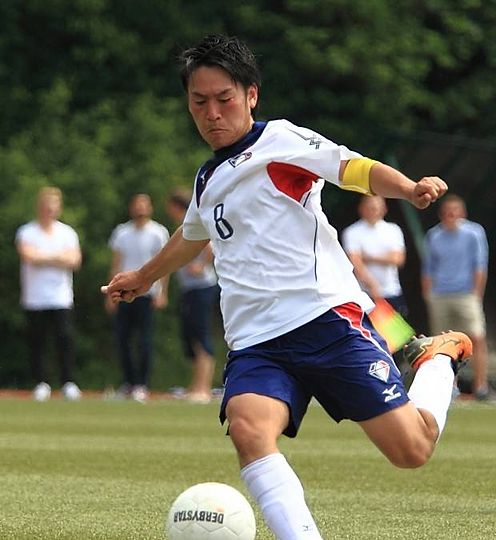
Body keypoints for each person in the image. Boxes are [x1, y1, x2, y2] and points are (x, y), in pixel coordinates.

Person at [102, 34, 470, 540]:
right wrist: (143, 277)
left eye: (224, 99)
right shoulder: (207, 179)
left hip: (326, 322)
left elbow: (351, 168)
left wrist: (408, 187)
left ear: (251, 95)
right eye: (199, 102)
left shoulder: (281, 141)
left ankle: (437, 358)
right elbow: (191, 234)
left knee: (412, 450)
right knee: (248, 428)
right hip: (256, 341)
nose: (212, 113)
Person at [422, 194, 496, 401]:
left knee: (477, 337)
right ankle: (449, 387)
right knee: (443, 344)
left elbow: (480, 264)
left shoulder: (474, 233)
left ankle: (480, 386)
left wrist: (476, 293)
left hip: (466, 294)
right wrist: (429, 294)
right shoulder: (434, 235)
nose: (451, 215)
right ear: (441, 214)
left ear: (462, 213)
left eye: (455, 211)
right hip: (440, 294)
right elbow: (428, 267)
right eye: (447, 211)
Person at [15, 187, 83, 402]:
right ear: (40, 207)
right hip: (34, 297)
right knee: (37, 341)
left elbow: (74, 260)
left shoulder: (67, 233)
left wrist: (44, 257)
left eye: (53, 206)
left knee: (64, 338)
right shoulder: (27, 232)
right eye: (46, 206)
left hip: (61, 296)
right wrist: (58, 258)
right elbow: (29, 257)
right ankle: (41, 383)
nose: (50, 210)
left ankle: (68, 382)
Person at [106, 193, 169, 403]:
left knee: (144, 339)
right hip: (124, 293)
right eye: (137, 204)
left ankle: (142, 384)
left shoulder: (158, 232)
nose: (140, 208)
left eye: (144, 204)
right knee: (123, 339)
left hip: (147, 293)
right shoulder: (122, 232)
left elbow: (164, 264)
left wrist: (162, 292)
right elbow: (116, 263)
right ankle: (129, 382)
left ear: (150, 207)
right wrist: (111, 292)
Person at [166, 187, 220, 403]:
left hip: (202, 287)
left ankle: (203, 388)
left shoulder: (194, 222)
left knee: (201, 335)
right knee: (191, 336)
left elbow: (210, 247)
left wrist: (201, 266)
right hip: (190, 289)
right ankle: (195, 386)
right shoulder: (183, 225)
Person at [341, 194, 408, 316]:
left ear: (384, 209)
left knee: (398, 328)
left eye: (377, 208)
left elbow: (398, 259)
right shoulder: (352, 232)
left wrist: (368, 257)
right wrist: (372, 286)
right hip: (366, 295)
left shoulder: (393, 229)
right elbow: (355, 263)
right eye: (370, 208)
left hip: (392, 291)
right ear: (361, 208)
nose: (374, 211)